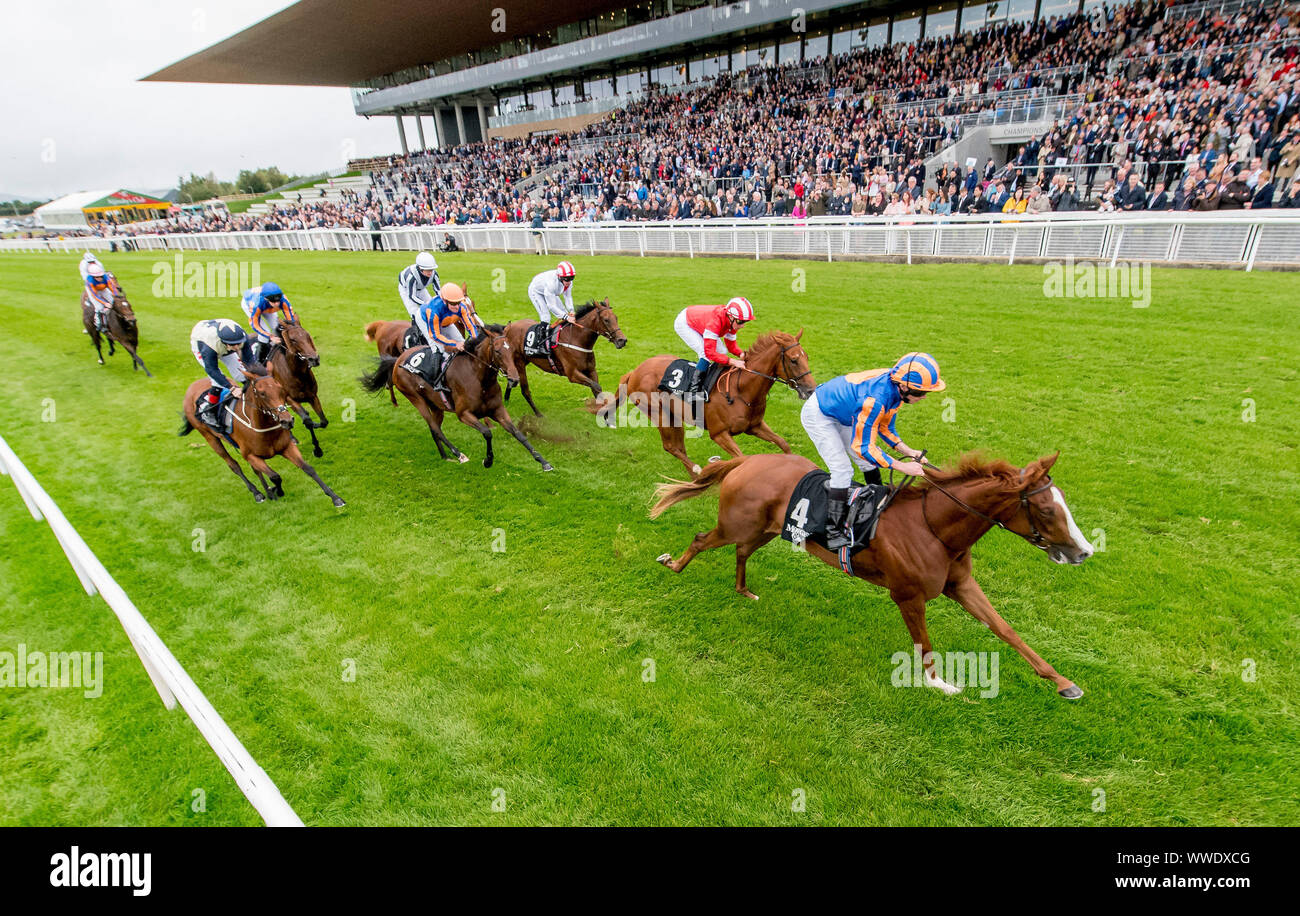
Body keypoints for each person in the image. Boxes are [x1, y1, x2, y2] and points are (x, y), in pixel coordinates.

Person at [799, 353, 942, 549]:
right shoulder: (876, 400)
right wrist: (902, 467)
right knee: (843, 470)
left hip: (845, 413)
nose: (924, 396)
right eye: (920, 392)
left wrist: (909, 451)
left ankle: (879, 506)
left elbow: (885, 428)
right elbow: (864, 448)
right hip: (820, 414)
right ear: (904, 386)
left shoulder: (895, 390)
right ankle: (833, 531)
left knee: (866, 464)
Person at [190, 319, 263, 427]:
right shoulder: (209, 346)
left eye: (238, 344)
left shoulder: (242, 338)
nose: (237, 348)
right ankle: (209, 410)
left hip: (220, 339)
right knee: (217, 381)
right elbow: (212, 370)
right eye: (233, 345)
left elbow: (250, 361)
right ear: (224, 342)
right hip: (201, 341)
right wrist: (232, 388)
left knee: (241, 374)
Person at [673, 297, 753, 396]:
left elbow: (730, 345)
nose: (742, 326)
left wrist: (741, 354)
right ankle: (693, 391)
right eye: (741, 322)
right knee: (705, 354)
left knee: (722, 351)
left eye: (745, 322)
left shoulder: (733, 322)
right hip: (685, 323)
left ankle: (709, 377)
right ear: (731, 317)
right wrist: (733, 361)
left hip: (701, 322)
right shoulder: (716, 322)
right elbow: (710, 353)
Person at [416, 282, 483, 358]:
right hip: (425, 320)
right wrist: (455, 344)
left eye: (458, 303)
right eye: (453, 304)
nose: (457, 307)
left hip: (445, 320)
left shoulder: (462, 307)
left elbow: (470, 326)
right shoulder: (433, 310)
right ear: (445, 301)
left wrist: (476, 341)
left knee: (462, 341)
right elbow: (435, 336)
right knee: (439, 349)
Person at [240, 281, 297, 362]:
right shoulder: (256, 304)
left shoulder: (283, 300)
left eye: (278, 301)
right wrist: (270, 336)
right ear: (266, 299)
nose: (277, 304)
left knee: (277, 327)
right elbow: (255, 325)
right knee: (264, 333)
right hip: (250, 305)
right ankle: (259, 361)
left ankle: (280, 351)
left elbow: (290, 320)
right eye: (273, 302)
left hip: (267, 306)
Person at [397, 252, 442, 335]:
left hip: (421, 288)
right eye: (428, 270)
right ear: (420, 269)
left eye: (432, 270)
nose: (430, 273)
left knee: (433, 309)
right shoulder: (411, 277)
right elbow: (412, 296)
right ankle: (416, 335)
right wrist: (426, 304)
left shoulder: (434, 274)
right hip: (406, 289)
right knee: (415, 312)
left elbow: (439, 291)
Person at [527, 261, 577, 326]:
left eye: (572, 278)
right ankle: (542, 335)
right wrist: (566, 317)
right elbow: (551, 306)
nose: (569, 281)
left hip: (550, 292)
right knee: (546, 317)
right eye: (566, 279)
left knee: (564, 312)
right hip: (536, 291)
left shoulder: (568, 281)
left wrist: (571, 311)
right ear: (560, 277)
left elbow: (568, 297)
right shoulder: (551, 284)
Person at [83, 263, 119, 334]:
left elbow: (112, 288)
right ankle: (99, 324)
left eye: (101, 276)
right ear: (93, 276)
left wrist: (116, 296)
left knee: (114, 302)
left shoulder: (106, 277)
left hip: (103, 288)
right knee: (99, 307)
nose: (99, 278)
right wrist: (105, 303)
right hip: (94, 292)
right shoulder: (90, 281)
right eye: (97, 277)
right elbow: (95, 296)